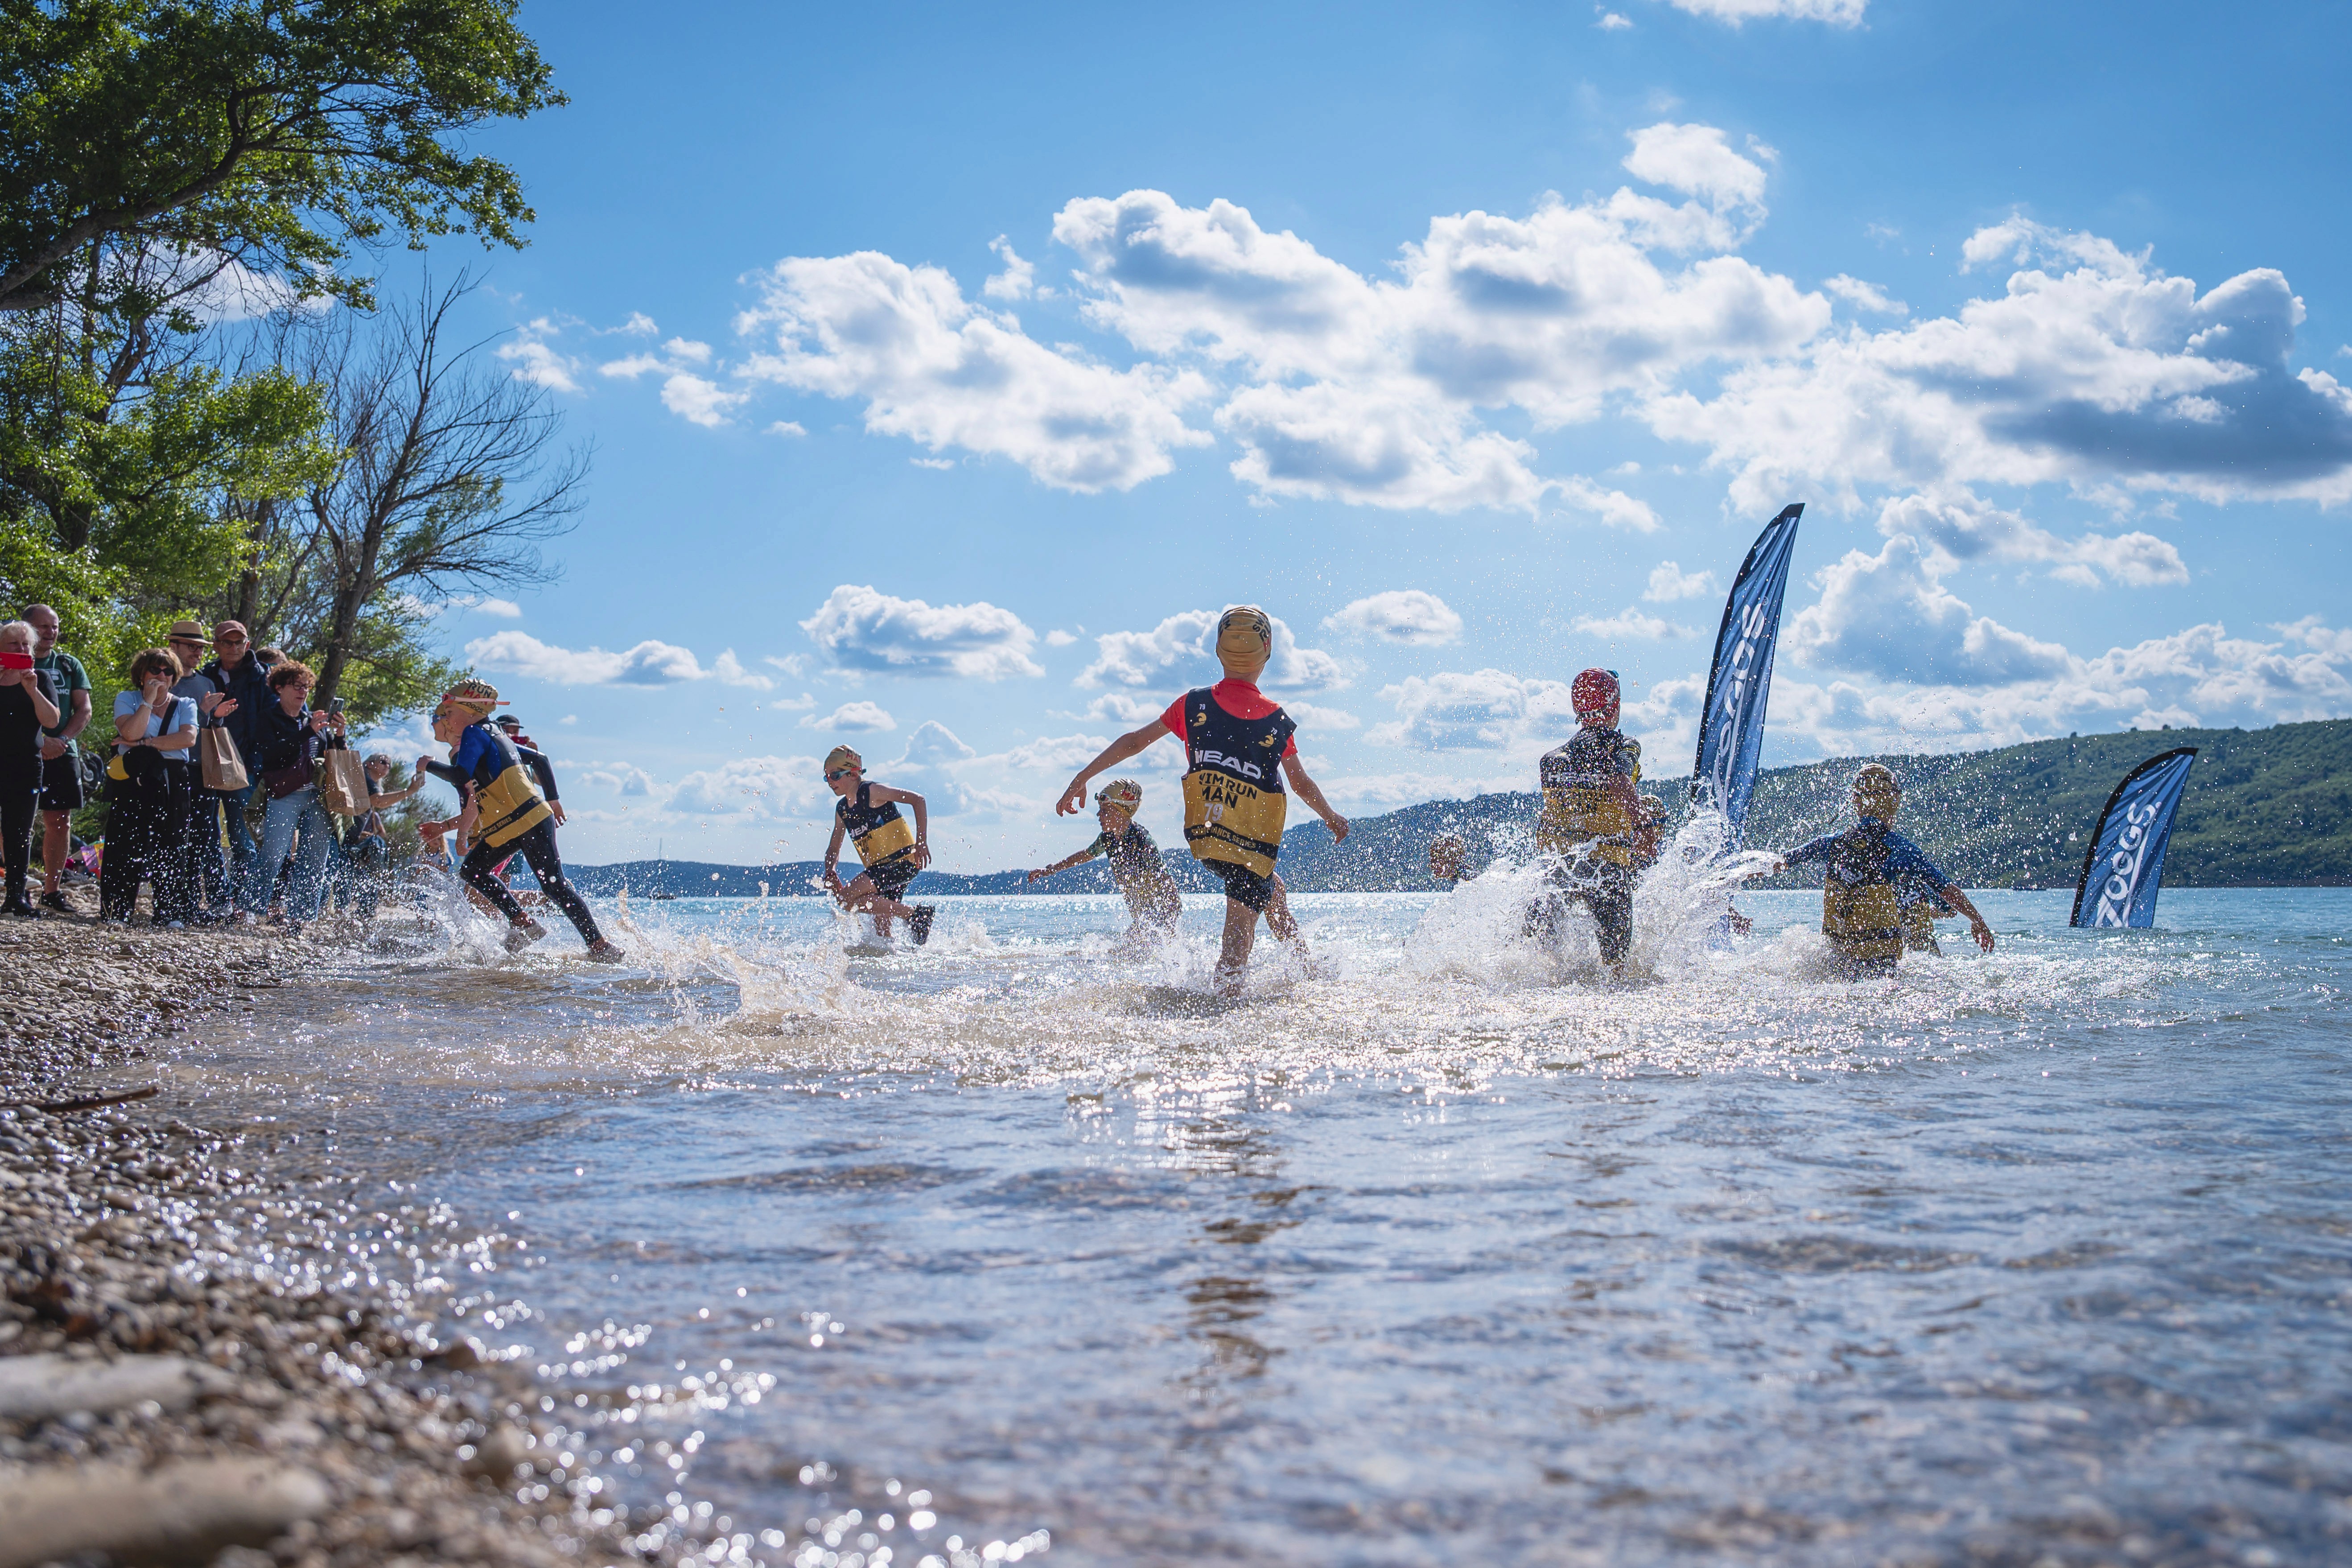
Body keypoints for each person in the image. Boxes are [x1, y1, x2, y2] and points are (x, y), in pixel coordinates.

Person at [1054, 605, 1350, 996]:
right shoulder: (1276, 720)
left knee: (1271, 892)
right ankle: (1221, 1012)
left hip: (1207, 839)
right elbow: (1300, 784)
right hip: (1250, 843)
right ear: (1267, 652)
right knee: (1239, 934)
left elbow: (1134, 741)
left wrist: (1083, 776)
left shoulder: (1191, 705)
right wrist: (1330, 816)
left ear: (1218, 650)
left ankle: (1304, 968)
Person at [418, 679, 622, 961]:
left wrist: (427, 765)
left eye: (450, 712)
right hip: (512, 823)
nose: (447, 719)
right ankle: (524, 923)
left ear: (470, 710)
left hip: (526, 818)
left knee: (554, 885)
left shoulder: (476, 734)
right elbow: (540, 759)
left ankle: (600, 946)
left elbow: (460, 778)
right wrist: (552, 799)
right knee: (473, 871)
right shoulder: (495, 734)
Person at [1768, 764, 1995, 978]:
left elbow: (1779, 863)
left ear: (1856, 801)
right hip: (1881, 969)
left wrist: (1738, 874)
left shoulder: (1831, 842)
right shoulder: (1902, 850)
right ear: (1895, 800)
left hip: (1833, 963)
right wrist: (1978, 921)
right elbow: (1947, 891)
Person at [1530, 668, 1643, 978]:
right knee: (1616, 973)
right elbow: (1620, 781)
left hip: (1560, 869)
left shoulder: (1550, 759)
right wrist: (1641, 818)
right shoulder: (1625, 746)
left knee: (1543, 967)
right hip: (1607, 868)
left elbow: (1550, 817)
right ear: (1615, 706)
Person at [233, 660, 337, 929]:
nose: (303, 691)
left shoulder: (310, 719)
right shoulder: (269, 718)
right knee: (272, 855)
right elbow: (272, 755)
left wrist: (339, 735)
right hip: (284, 795)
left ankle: (300, 919)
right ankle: (249, 911)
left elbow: (330, 756)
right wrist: (307, 732)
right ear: (279, 688)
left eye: (306, 686)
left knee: (315, 859)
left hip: (317, 797)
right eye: (296, 686)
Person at [100, 647, 200, 924]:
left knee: (172, 843)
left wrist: (144, 743)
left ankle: (169, 913)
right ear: (142, 675)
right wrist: (147, 702)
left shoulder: (185, 704)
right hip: (134, 779)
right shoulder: (127, 699)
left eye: (168, 671)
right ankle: (116, 911)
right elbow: (129, 731)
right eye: (155, 670)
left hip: (172, 779)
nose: (162, 676)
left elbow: (187, 739)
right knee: (125, 842)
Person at [1027, 779, 1182, 944]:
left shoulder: (1141, 840)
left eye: (1105, 811)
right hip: (1143, 918)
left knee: (1129, 953)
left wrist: (1170, 925)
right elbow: (1086, 855)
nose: (1099, 815)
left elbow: (1167, 882)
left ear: (1121, 813)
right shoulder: (1108, 839)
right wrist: (1053, 870)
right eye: (1100, 811)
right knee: (1122, 954)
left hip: (1161, 914)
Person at [820, 745, 936, 944]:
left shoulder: (873, 792)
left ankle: (913, 914)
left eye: (836, 775)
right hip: (879, 869)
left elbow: (918, 800)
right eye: (827, 777)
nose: (830, 781)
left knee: (846, 899)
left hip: (901, 862)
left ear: (854, 773)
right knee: (882, 935)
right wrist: (830, 870)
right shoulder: (842, 810)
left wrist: (922, 842)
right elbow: (834, 848)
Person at [195, 619, 278, 890]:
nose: (233, 647)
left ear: (248, 644)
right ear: (216, 645)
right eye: (227, 642)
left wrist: (255, 762)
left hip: (247, 767)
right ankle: (220, 900)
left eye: (239, 642)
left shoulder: (265, 677)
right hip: (206, 765)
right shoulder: (205, 676)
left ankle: (244, 903)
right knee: (206, 835)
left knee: (243, 838)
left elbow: (275, 721)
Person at [23, 605, 93, 914]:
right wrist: (37, 744)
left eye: (55, 626)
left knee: (60, 821)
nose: (50, 632)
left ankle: (51, 891)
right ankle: (18, 886)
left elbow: (84, 709)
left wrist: (63, 740)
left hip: (64, 751)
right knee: (13, 820)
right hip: (21, 752)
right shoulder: (11, 661)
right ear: (27, 627)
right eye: (43, 627)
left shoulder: (68, 663)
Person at [0, 620, 64, 917]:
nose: (21, 649)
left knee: (19, 830)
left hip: (25, 763)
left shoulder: (40, 678)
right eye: (14, 644)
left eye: (26, 644)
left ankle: (16, 894)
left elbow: (52, 722)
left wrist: (32, 689)